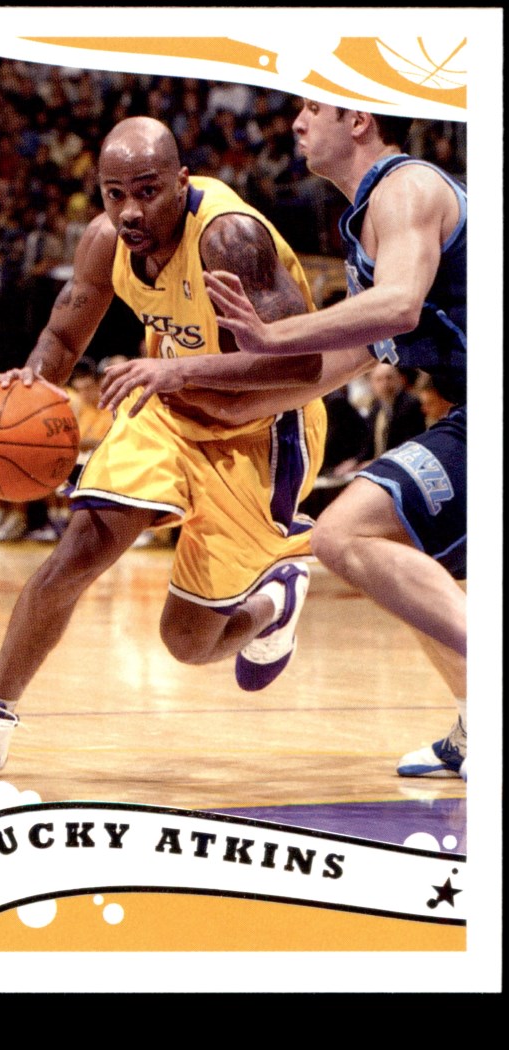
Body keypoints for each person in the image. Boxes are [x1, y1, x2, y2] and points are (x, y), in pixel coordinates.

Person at [0, 115, 330, 784]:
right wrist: (28, 386)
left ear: (181, 181)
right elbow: (62, 338)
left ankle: (274, 601)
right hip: (166, 410)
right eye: (115, 194)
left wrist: (180, 370)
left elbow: (304, 365)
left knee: (187, 642)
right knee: (79, 549)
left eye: (147, 190)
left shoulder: (229, 238)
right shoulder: (104, 242)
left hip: (264, 429)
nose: (131, 210)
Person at [117, 101, 466, 780]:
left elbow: (399, 305)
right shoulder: (368, 223)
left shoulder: (407, 187)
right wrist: (213, 400)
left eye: (313, 108)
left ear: (358, 119)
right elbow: (340, 362)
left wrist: (272, 334)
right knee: (390, 542)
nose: (297, 122)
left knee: (345, 534)